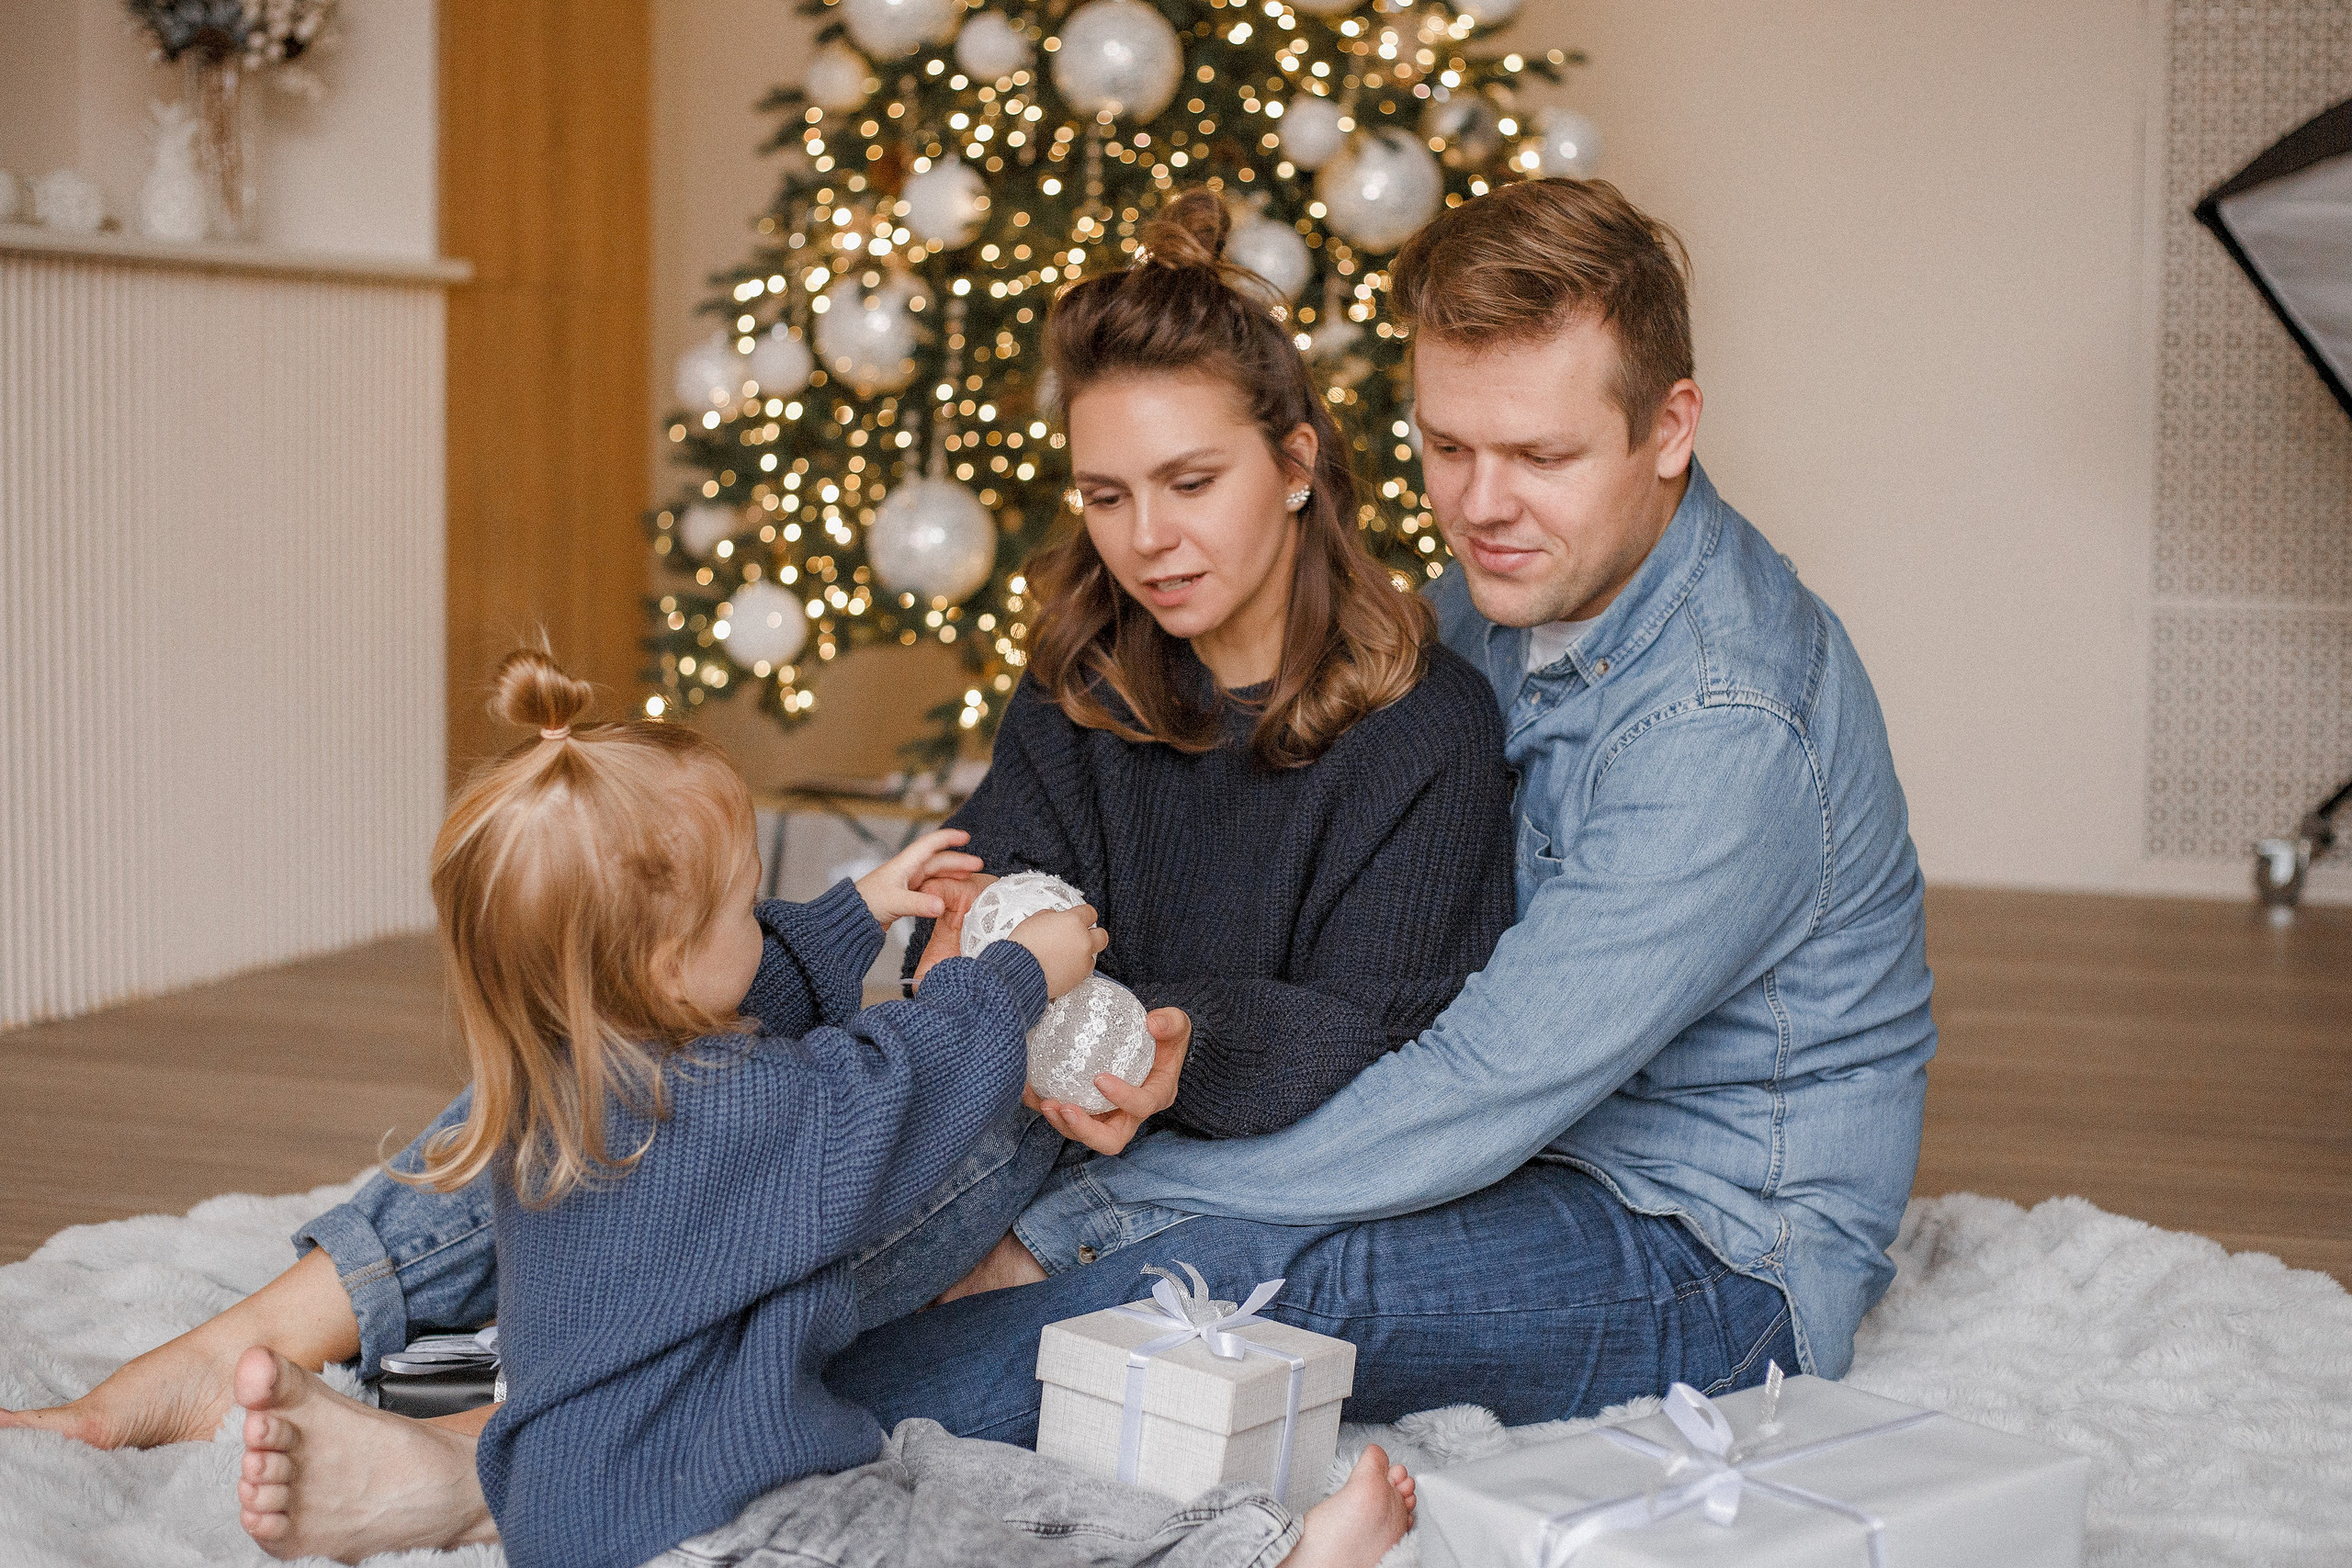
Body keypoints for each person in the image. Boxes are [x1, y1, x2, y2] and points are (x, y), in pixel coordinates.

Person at [0, 190, 1507, 1550]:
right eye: (1107, 497)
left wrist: (1177, 1053)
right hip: (1013, 1049)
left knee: (829, 1179)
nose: (1146, 542)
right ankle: (268, 1327)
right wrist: (967, 939)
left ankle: (488, 1451)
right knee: (613, 1058)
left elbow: (1390, 1019)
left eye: (1190, 483)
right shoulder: (1086, 672)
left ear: (1299, 462)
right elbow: (1003, 883)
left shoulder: (1421, 726)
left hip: (1171, 1140)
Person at [227, 645, 1415, 1568]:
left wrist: (864, 905)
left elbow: (751, 989)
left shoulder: (573, 1080)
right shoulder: (727, 1115)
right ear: (658, 967)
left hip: (598, 1516)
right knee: (996, 1537)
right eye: (749, 903)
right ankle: (1262, 1554)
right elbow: (881, 1096)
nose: (767, 919)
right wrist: (1010, 978)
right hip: (709, 1532)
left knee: (950, 1478)